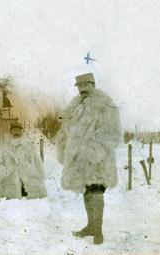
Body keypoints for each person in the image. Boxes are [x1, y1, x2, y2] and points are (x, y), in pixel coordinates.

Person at [55, 73, 121, 244]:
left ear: (93, 84)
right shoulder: (75, 106)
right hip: (79, 159)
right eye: (79, 86)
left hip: (98, 158)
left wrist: (91, 152)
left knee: (97, 191)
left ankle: (98, 231)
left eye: (86, 85)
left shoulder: (105, 105)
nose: (82, 88)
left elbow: (111, 133)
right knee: (87, 191)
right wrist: (65, 147)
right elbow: (67, 129)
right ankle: (91, 226)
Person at [0, 121, 47, 200]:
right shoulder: (3, 147)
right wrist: (5, 173)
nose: (16, 132)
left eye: (18, 130)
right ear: (10, 132)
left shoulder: (29, 146)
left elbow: (37, 161)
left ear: (22, 131)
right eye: (14, 130)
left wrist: (39, 174)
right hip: (10, 186)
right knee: (11, 206)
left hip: (31, 184)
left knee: (34, 206)